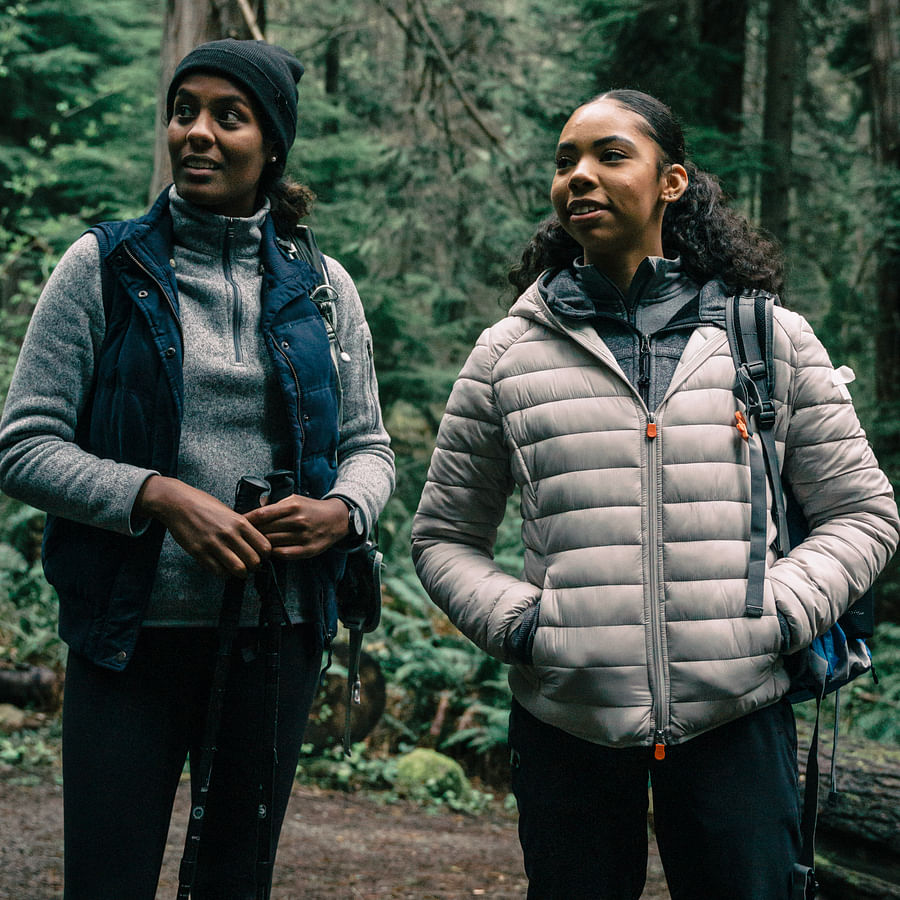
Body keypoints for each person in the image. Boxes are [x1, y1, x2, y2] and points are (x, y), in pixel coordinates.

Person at [411, 89, 899, 900]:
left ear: (671, 182)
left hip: (736, 717)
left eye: (610, 156)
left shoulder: (767, 337)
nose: (579, 176)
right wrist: (526, 626)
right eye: (565, 161)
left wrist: (778, 613)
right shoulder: (506, 356)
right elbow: (441, 537)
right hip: (569, 722)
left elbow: (864, 512)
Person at [0, 38, 394, 899]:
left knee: (232, 883)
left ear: (272, 144)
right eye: (184, 112)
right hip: (126, 635)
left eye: (228, 115)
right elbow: (24, 446)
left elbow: (370, 448)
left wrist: (342, 512)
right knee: (107, 879)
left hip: (274, 637)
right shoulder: (104, 269)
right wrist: (159, 495)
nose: (197, 133)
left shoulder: (324, 288)